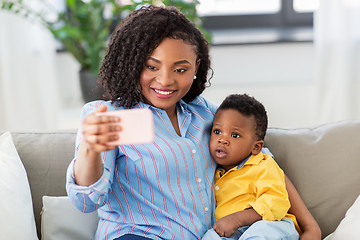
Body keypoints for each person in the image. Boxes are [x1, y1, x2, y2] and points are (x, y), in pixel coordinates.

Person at [65, 5, 321, 240]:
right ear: (132, 64)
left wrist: (310, 227)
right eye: (151, 67)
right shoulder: (107, 116)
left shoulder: (206, 114)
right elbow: (85, 202)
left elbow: (261, 162)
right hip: (136, 234)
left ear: (196, 67)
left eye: (180, 69)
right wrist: (91, 149)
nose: (165, 81)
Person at [202, 94, 300, 240]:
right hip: (234, 231)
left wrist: (237, 219)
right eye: (217, 132)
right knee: (210, 236)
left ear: (256, 147)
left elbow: (276, 202)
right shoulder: (211, 169)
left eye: (234, 135)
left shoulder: (262, 164)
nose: (222, 140)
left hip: (272, 224)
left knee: (260, 233)